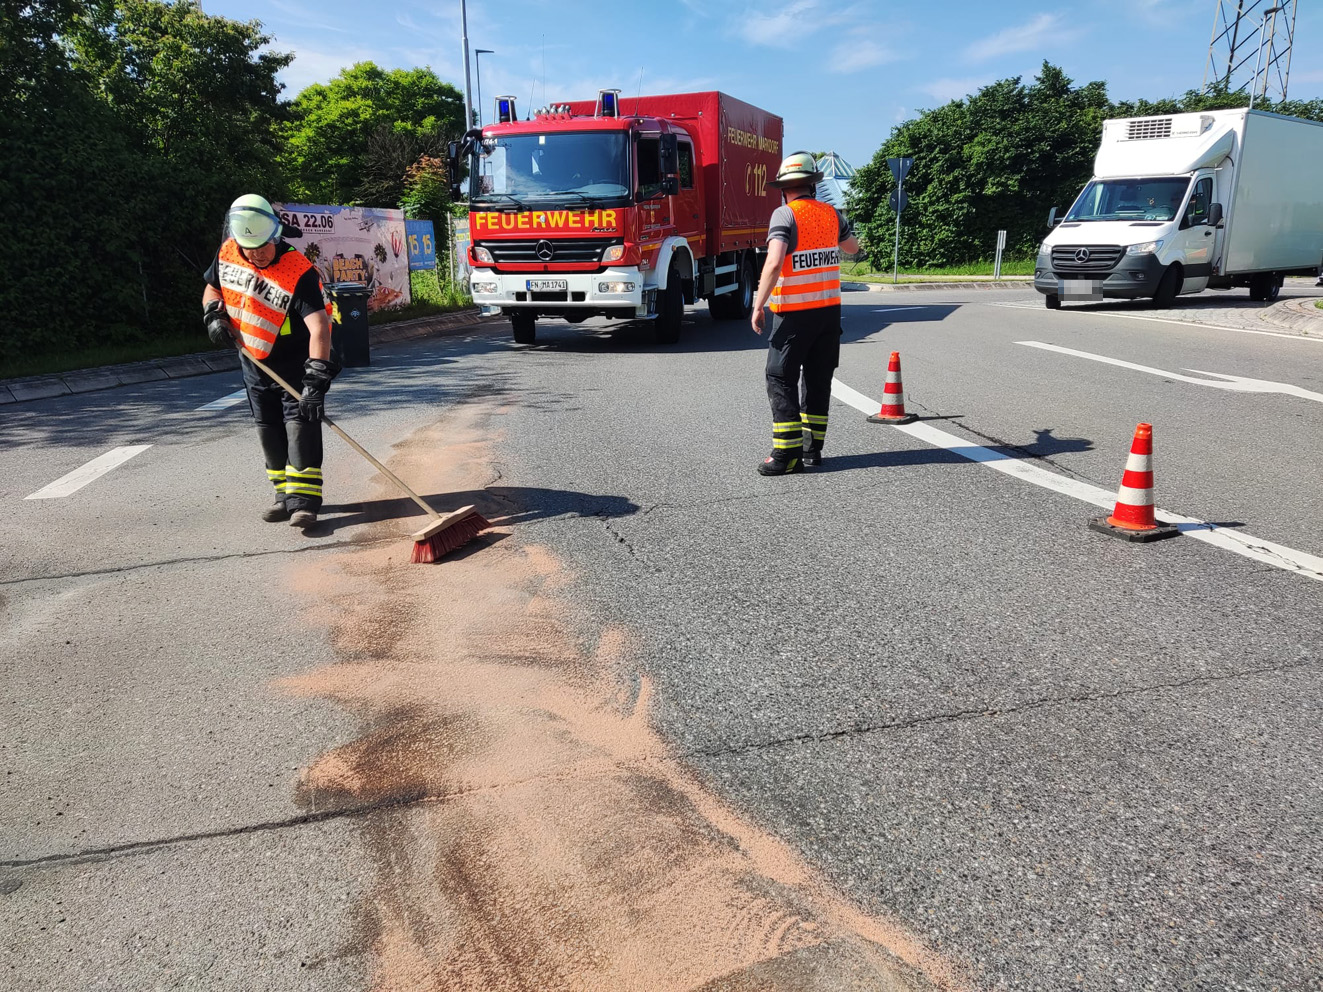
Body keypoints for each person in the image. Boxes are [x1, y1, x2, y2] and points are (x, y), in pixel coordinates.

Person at [202, 194, 338, 528]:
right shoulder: (228, 255)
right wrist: (212, 315)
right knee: (268, 429)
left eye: (263, 246)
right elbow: (211, 289)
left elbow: (319, 326)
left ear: (276, 235)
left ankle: (304, 502)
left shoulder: (298, 271)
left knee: (299, 427)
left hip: (295, 362)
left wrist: (316, 380)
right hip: (254, 360)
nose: (258, 254)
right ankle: (283, 495)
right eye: (250, 248)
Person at [750, 151, 859, 475]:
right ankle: (813, 450)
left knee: (779, 376)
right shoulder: (832, 215)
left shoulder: (784, 216)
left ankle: (786, 455)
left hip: (794, 314)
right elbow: (852, 248)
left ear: (784, 188)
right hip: (828, 314)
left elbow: (773, 263)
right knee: (817, 380)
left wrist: (758, 305)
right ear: (813, 184)